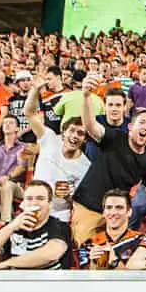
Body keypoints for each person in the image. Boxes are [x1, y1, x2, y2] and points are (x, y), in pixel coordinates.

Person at [71, 74, 146, 246]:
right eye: (142, 122)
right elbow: (90, 126)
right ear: (131, 126)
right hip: (89, 207)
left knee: (112, 260)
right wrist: (86, 96)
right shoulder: (114, 137)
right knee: (86, 255)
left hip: (116, 216)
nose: (145, 127)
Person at [24, 79, 91, 224]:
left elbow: (80, 201)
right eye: (72, 131)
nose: (74, 136)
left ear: (85, 139)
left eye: (80, 133)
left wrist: (69, 196)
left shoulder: (85, 166)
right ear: (63, 132)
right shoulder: (49, 138)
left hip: (60, 216)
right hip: (32, 208)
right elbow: (29, 113)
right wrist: (34, 91)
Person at [0, 180, 71, 270]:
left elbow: (51, 254)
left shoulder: (59, 226)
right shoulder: (13, 227)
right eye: (29, 199)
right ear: (23, 203)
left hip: (50, 284)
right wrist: (12, 226)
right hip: (17, 285)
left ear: (49, 204)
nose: (34, 203)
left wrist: (8, 263)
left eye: (40, 199)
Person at [78, 189, 144, 269]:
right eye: (109, 208)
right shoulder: (88, 244)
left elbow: (142, 276)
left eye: (119, 208)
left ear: (129, 212)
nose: (113, 213)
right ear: (103, 212)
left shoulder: (141, 241)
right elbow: (83, 279)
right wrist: (93, 263)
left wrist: (114, 261)